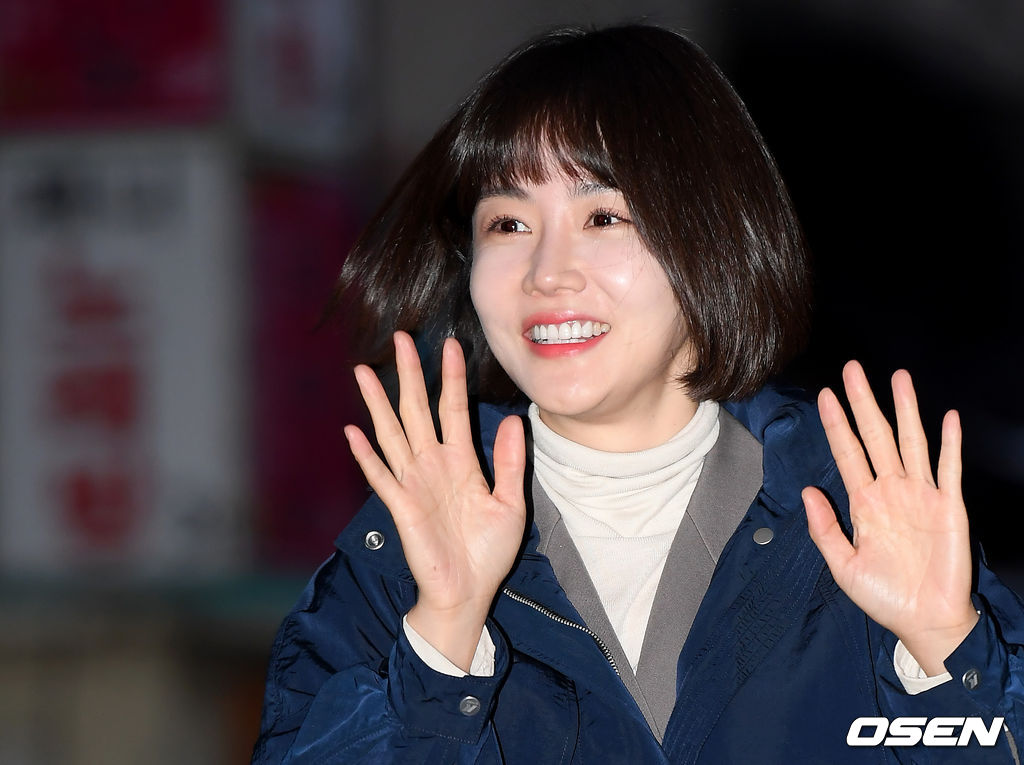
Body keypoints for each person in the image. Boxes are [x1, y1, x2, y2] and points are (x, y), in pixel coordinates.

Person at [252, 24, 1024, 764]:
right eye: (508, 224)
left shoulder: (859, 518)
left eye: (603, 215)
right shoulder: (403, 555)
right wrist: (441, 639)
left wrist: (947, 652)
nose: (547, 273)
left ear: (714, 240)